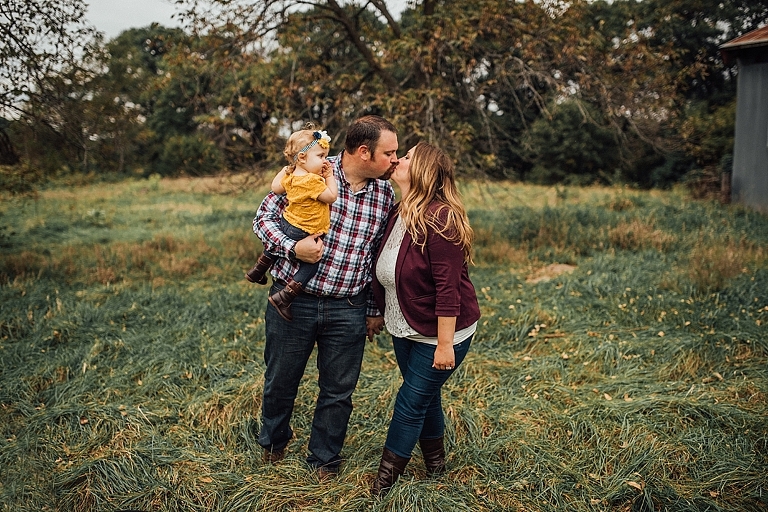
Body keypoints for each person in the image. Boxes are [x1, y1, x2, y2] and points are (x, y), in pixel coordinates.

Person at [252, 115, 399, 480]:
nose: (394, 161)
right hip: (292, 302)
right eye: (389, 153)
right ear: (364, 152)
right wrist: (292, 246)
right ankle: (273, 443)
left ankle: (324, 460)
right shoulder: (309, 167)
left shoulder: (384, 194)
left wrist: (371, 310)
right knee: (280, 380)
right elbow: (263, 219)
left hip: (347, 307)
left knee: (338, 391)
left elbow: (375, 256)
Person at [369, 141, 481, 496]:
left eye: (407, 157)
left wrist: (445, 344)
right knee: (425, 399)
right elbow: (386, 271)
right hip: (406, 325)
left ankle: (383, 486)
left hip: (442, 332)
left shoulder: (440, 217)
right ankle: (436, 466)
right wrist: (377, 312)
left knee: (410, 402)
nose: (398, 160)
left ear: (424, 171)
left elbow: (449, 288)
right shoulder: (399, 212)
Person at [245, 127, 338, 321]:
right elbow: (331, 197)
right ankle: (285, 297)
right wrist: (329, 177)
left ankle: (257, 270)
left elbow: (275, 188)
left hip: (287, 222)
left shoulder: (290, 176)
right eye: (321, 156)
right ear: (302, 158)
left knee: (273, 248)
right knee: (312, 265)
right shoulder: (313, 181)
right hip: (304, 230)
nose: (325, 161)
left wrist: (285, 169)